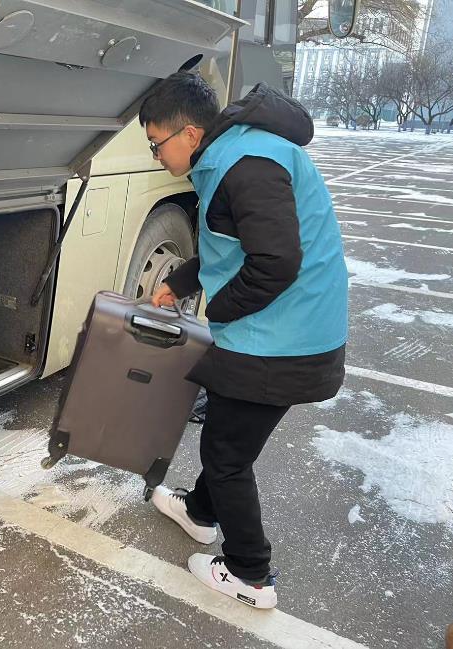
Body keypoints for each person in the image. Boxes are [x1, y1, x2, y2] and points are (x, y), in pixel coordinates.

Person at [139, 72, 348, 609]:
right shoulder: (232, 155)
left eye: (156, 144)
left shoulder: (246, 165)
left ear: (188, 133)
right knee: (232, 438)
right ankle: (199, 512)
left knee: (226, 454)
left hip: (284, 340)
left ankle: (249, 574)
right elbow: (231, 242)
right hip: (292, 331)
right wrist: (180, 282)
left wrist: (220, 309)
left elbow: (275, 261)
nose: (156, 156)